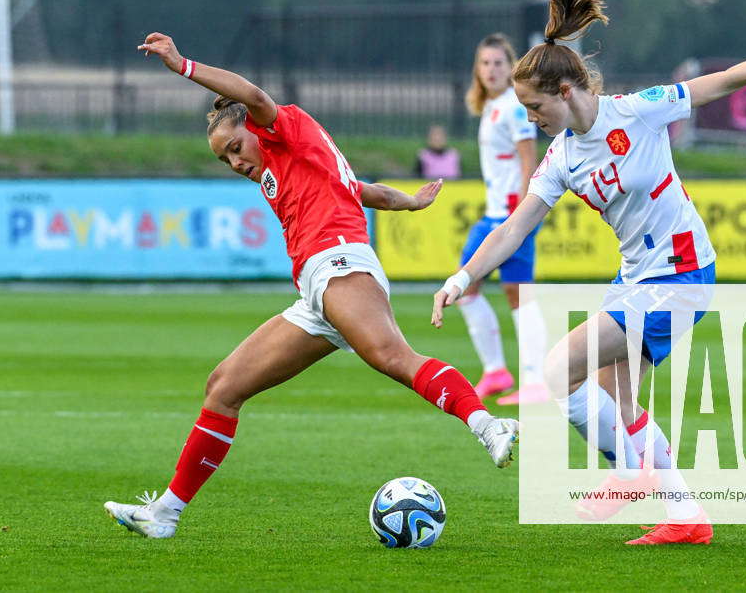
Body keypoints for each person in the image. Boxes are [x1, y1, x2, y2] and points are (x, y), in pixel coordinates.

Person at [432, 0, 746, 545]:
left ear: (566, 92)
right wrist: (462, 276)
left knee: (560, 368)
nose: (530, 121)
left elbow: (730, 79)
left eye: (535, 109)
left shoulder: (640, 109)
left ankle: (628, 476)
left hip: (683, 271)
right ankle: (687, 517)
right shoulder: (562, 158)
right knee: (622, 402)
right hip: (639, 276)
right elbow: (513, 228)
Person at [103, 32, 519, 539]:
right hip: (316, 291)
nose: (235, 163)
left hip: (339, 263)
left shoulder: (284, 127)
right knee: (224, 387)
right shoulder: (293, 160)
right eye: (224, 160)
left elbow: (254, 97)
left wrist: (182, 65)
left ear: (254, 129)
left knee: (392, 357)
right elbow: (361, 189)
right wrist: (408, 202)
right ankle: (165, 513)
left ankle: (487, 424)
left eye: (235, 147)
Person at [457, 33, 549, 406]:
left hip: (510, 217)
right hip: (496, 215)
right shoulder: (494, 105)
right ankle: (497, 371)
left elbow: (530, 159)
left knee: (512, 294)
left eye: (498, 63)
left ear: (511, 68)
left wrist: (525, 215)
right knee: (471, 288)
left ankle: (533, 379)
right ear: (477, 70)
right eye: (485, 63)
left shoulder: (513, 107)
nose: (491, 70)